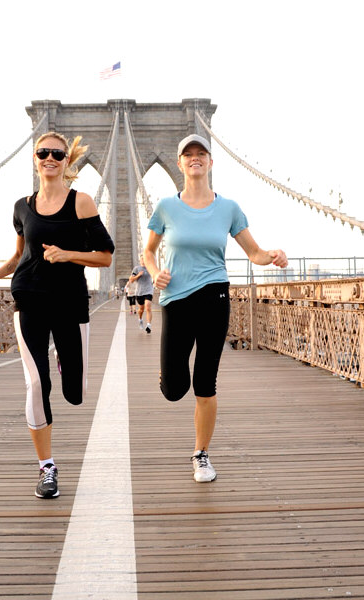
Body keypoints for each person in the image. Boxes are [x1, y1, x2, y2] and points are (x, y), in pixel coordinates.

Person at [0, 131, 114, 499]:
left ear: (68, 162)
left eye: (57, 153)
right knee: (36, 384)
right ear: (35, 159)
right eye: (43, 152)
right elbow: (20, 255)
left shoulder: (81, 203)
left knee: (76, 393)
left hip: (69, 302)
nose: (49, 158)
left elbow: (105, 255)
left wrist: (68, 255)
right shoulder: (22, 206)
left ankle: (68, 365)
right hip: (29, 297)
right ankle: (47, 467)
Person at [143, 134, 287, 484]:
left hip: (214, 296)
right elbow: (148, 251)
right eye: (188, 154)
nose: (195, 158)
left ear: (210, 162)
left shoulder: (229, 208)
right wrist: (154, 272)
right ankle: (169, 377)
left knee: (205, 382)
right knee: (174, 389)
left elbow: (254, 252)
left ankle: (201, 454)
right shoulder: (165, 207)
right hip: (176, 300)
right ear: (180, 164)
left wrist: (272, 256)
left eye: (201, 154)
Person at [130, 255, 154, 333]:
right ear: (140, 260)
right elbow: (131, 280)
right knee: (141, 309)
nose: (143, 260)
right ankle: (140, 319)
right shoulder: (136, 268)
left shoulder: (150, 267)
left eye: (145, 259)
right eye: (142, 259)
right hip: (139, 292)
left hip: (149, 290)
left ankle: (149, 326)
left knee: (148, 307)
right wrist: (138, 275)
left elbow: (155, 276)